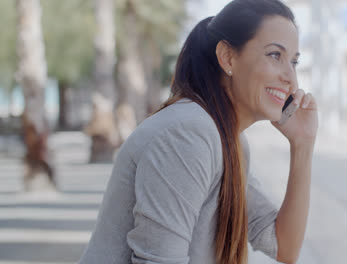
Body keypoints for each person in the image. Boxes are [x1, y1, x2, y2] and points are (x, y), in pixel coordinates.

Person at [79, 0, 318, 263]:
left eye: (294, 62)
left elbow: (283, 246)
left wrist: (303, 144)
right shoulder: (187, 133)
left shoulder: (228, 138)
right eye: (275, 55)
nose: (290, 78)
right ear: (228, 57)